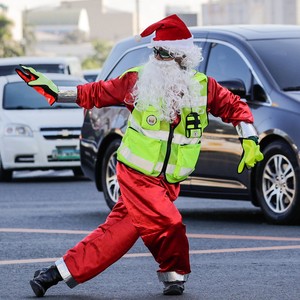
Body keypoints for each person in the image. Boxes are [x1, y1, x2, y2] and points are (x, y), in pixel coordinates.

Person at [16, 14, 264, 297]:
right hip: (136, 173)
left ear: (182, 57)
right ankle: (175, 276)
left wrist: (250, 138)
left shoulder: (204, 87)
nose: (156, 58)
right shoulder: (137, 80)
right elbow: (96, 92)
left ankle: (53, 274)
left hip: (168, 179)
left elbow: (235, 106)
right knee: (169, 223)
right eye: (154, 51)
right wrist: (56, 92)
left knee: (116, 236)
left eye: (163, 53)